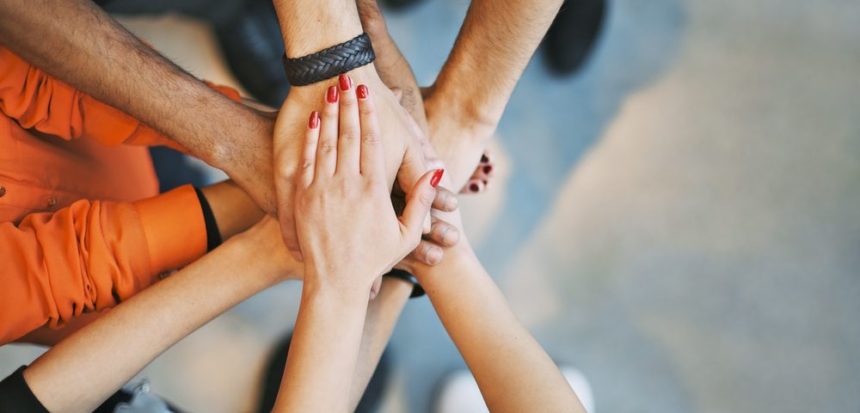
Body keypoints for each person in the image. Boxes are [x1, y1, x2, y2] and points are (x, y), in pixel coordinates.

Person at [0, 84, 586, 413]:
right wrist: (386, 260)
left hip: (101, 174)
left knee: (160, 171)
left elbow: (30, 404)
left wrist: (284, 233)